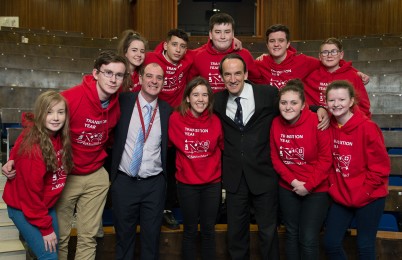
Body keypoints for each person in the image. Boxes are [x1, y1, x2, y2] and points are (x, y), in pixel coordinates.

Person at [2, 51, 127, 259]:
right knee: (59, 239)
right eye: (108, 73)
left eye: (119, 75)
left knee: (89, 238)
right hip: (67, 175)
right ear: (96, 73)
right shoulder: (72, 97)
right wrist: (14, 155)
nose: (113, 80)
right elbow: (37, 121)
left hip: (95, 173)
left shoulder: (116, 106)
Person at [213, 53, 280, 259]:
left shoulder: (267, 94)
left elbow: (292, 106)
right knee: (235, 233)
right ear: (222, 77)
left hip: (263, 173)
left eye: (237, 74)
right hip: (234, 177)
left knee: (268, 232)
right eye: (227, 75)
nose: (233, 79)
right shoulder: (216, 100)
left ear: (246, 73)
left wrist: (319, 109)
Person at [109, 62, 171, 259]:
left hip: (154, 184)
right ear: (141, 79)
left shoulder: (168, 111)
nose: (154, 81)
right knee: (124, 239)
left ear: (163, 82)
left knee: (151, 241)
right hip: (124, 181)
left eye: (159, 78)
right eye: (150, 76)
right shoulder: (123, 102)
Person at [323, 80, 390, 260]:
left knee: (365, 246)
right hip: (342, 195)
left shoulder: (368, 127)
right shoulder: (329, 126)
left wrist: (364, 192)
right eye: (331, 100)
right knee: (331, 243)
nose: (336, 104)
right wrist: (333, 186)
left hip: (369, 196)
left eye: (342, 99)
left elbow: (381, 169)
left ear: (352, 101)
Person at [3, 91, 73, 259]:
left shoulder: (56, 135)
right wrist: (46, 229)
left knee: (51, 251)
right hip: (25, 206)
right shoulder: (34, 149)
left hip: (44, 205)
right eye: (49, 112)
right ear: (41, 114)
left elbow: (19, 141)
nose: (55, 117)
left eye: (60, 112)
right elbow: (30, 196)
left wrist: (12, 157)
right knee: (49, 256)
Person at [270, 79, 332, 259]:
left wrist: (308, 185)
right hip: (288, 187)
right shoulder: (275, 123)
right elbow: (275, 157)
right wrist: (293, 181)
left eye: (293, 103)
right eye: (284, 103)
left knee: (308, 237)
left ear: (304, 105)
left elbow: (326, 159)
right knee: (291, 234)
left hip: (317, 189)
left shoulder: (317, 122)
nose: (288, 107)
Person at [168, 76, 224, 259]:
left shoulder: (216, 121)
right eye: (196, 94)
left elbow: (223, 148)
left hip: (212, 185)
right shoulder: (176, 119)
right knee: (190, 231)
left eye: (205, 95)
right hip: (187, 185)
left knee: (208, 231)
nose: (200, 99)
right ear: (187, 98)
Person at [254, 24, 369, 90]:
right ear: (267, 45)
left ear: (288, 44)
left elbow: (329, 61)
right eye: (272, 41)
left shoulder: (303, 61)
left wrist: (355, 72)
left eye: (281, 40)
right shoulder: (260, 63)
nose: (276, 44)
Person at [188, 12, 262, 92]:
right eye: (218, 32)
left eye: (227, 32)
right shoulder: (199, 56)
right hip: (209, 103)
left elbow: (258, 82)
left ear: (233, 34)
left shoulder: (244, 54)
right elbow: (190, 84)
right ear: (210, 35)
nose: (222, 37)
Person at [303, 37, 371, 117]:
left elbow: (364, 107)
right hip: (317, 122)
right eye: (325, 52)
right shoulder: (309, 74)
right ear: (320, 56)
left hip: (343, 124)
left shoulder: (353, 76)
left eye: (334, 52)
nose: (329, 55)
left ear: (341, 55)